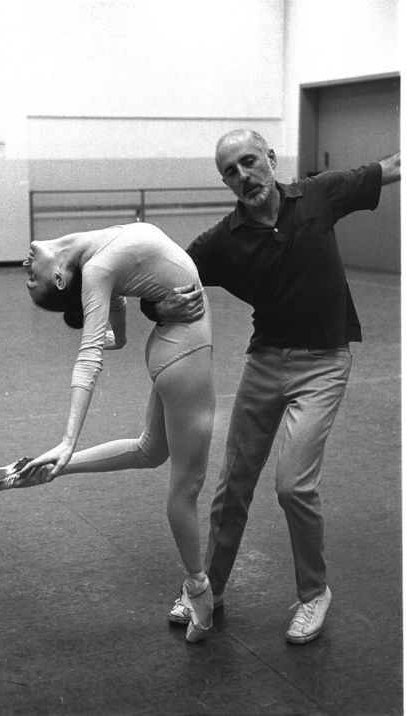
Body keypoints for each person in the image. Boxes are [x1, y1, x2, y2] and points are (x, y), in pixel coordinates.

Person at [140, 129, 400, 644]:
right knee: (233, 483)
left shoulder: (319, 194)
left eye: (250, 161)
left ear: (270, 159)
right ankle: (207, 588)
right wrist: (157, 307)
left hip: (324, 363)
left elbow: (391, 166)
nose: (244, 176)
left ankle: (314, 593)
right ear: (225, 183)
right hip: (264, 363)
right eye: (231, 172)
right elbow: (166, 279)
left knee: (292, 485)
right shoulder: (223, 240)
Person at [0, 221, 216, 643]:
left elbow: (116, 332)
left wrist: (112, 326)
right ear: (61, 278)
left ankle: (48, 468)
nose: (25, 265)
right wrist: (69, 438)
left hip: (172, 347)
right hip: (184, 356)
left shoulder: (96, 252)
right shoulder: (98, 267)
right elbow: (89, 359)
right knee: (186, 488)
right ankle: (199, 589)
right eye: (33, 278)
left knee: (150, 451)